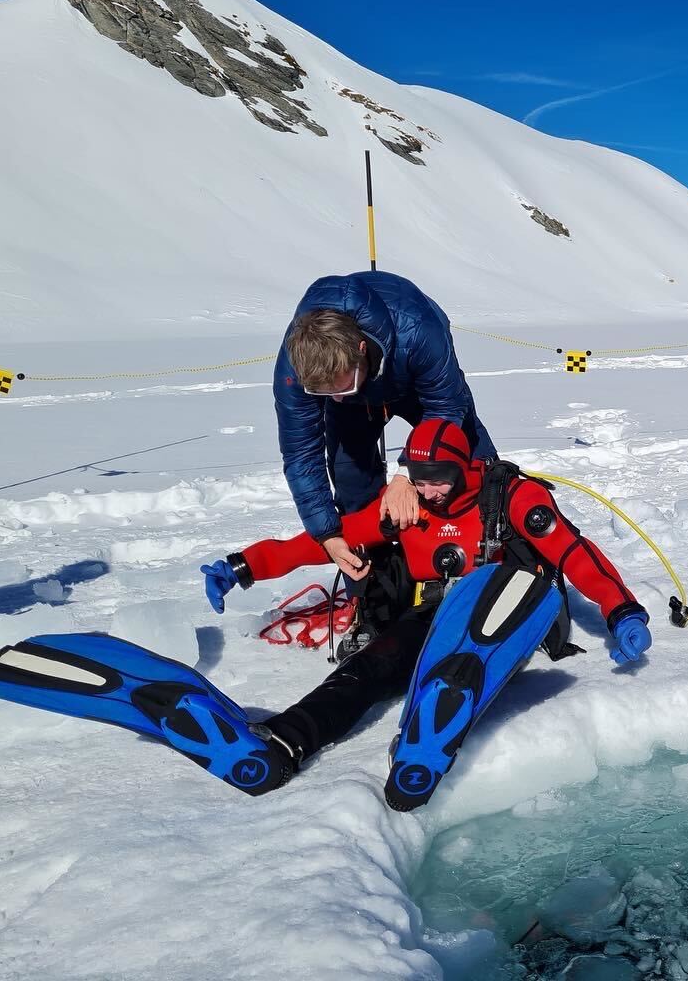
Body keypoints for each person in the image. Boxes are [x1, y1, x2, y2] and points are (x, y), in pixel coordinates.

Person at [200, 419, 652, 807]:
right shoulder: (406, 506)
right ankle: (284, 740)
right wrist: (243, 566)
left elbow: (574, 553)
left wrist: (622, 611)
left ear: (463, 468)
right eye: (419, 478)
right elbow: (320, 541)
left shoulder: (513, 497)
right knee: (367, 669)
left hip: (508, 613)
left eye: (440, 479)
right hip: (433, 614)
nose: (430, 492)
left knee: (464, 659)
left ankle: (425, 736)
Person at [274, 270, 495, 586]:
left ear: (362, 350)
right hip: (357, 403)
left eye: (342, 385)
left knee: (468, 459)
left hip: (412, 378)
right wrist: (328, 534)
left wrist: (408, 474)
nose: (334, 397)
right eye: (324, 393)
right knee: (351, 483)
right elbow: (300, 455)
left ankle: (488, 558)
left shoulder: (419, 331)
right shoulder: (295, 366)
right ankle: (374, 591)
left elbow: (445, 407)